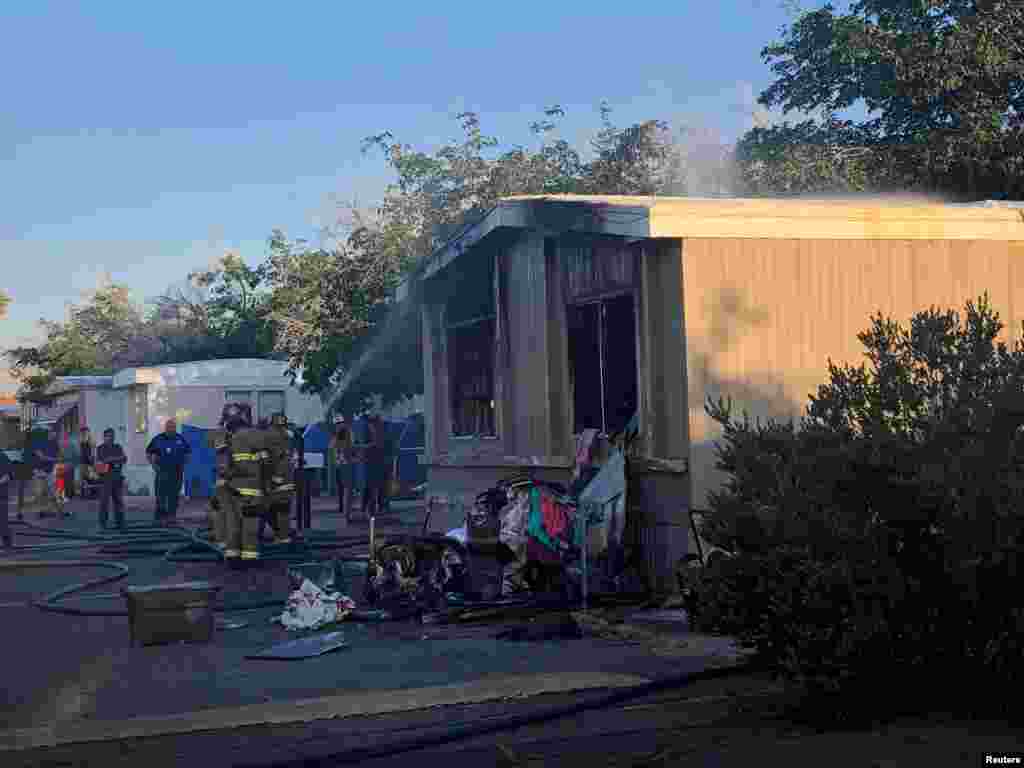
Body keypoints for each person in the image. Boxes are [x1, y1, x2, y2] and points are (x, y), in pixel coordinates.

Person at [146, 418, 191, 526]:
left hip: (177, 472)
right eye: (169, 427)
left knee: (174, 495)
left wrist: (184, 464)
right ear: (165, 428)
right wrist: (153, 465)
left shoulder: (180, 439)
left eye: (173, 427)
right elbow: (148, 452)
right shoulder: (158, 439)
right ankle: (159, 519)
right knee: (161, 495)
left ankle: (172, 518)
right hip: (162, 471)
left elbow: (188, 453)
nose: (171, 429)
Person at [95, 427, 127, 530]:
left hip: (117, 478)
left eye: (113, 435)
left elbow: (124, 458)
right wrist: (115, 460)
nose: (111, 437)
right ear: (104, 437)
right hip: (105, 479)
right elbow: (102, 461)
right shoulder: (100, 448)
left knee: (118, 502)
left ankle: (120, 523)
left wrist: (111, 460)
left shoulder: (118, 447)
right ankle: (102, 524)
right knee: (104, 502)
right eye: (109, 436)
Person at [34, 426, 66, 518]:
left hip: (49, 471)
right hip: (40, 470)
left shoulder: (55, 444)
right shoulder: (40, 442)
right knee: (40, 492)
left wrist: (59, 456)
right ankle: (42, 511)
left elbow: (61, 455)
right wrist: (55, 459)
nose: (55, 435)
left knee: (53, 492)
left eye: (55, 433)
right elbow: (41, 457)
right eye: (53, 433)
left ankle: (59, 511)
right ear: (49, 433)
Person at [360, 414, 387, 520]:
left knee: (375, 485)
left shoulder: (376, 430)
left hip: (376, 460)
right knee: (370, 485)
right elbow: (365, 444)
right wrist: (373, 445)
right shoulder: (368, 429)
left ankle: (372, 508)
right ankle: (368, 509)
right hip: (371, 460)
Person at [331, 415, 354, 523]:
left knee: (345, 490)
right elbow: (347, 449)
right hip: (345, 464)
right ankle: (346, 514)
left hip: (340, 464)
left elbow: (332, 447)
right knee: (347, 490)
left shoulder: (338, 434)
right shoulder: (345, 432)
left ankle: (346, 513)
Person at [0, 448, 13, 547]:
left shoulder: (2, 457)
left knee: (2, 522)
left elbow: (7, 476)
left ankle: (7, 544)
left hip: (1, 495)